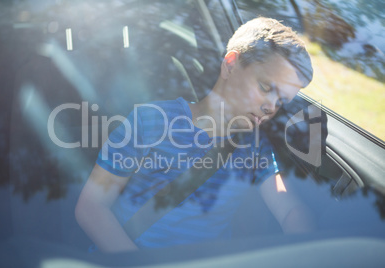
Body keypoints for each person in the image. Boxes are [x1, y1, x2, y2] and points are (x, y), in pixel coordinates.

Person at [75, 17, 316, 252]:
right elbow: (91, 207)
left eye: (282, 100)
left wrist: (308, 250)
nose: (271, 106)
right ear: (231, 64)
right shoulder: (151, 121)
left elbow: (288, 208)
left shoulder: (255, 147)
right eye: (265, 87)